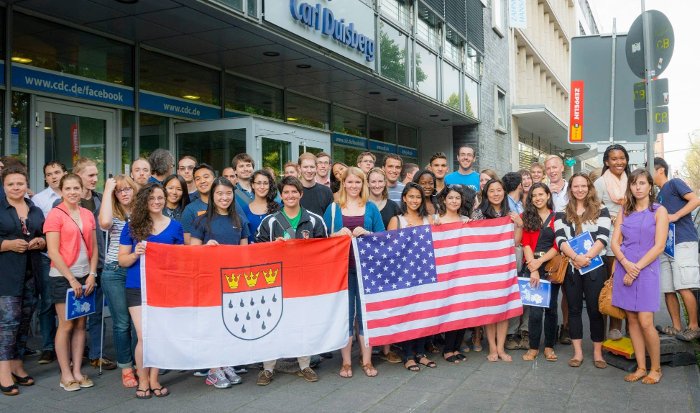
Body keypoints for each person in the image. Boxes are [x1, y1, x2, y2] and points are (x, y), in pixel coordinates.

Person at [255, 176, 328, 385]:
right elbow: (256, 251)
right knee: (272, 324)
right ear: (281, 195)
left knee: (302, 324)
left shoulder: (314, 220)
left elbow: (324, 251)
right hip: (276, 283)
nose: (290, 196)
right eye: (286, 192)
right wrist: (272, 247)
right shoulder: (269, 222)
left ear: (300, 194)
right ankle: (268, 368)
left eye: (294, 192)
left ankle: (304, 365)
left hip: (304, 284)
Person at [118, 183, 184, 399]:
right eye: (152, 198)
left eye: (160, 198)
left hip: (163, 287)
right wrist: (136, 253)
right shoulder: (132, 227)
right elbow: (122, 260)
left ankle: (154, 378)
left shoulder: (175, 227)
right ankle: (143, 379)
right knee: (144, 335)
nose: (157, 202)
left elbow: (180, 259)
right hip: (137, 287)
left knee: (159, 335)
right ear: (144, 201)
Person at [323, 167, 384, 378]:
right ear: (343, 184)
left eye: (358, 182)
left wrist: (367, 233)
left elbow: (382, 238)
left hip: (367, 270)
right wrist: (335, 235)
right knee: (346, 316)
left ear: (363, 184)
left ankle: (366, 361)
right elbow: (321, 241)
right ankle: (346, 362)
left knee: (366, 315)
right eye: (350, 182)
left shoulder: (371, 208)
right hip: (341, 271)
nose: (353, 186)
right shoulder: (333, 209)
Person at [611, 169, 668, 384]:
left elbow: (659, 245)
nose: (638, 187)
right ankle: (641, 367)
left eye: (642, 183)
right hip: (625, 268)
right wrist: (626, 264)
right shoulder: (624, 211)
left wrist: (635, 269)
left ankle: (656, 368)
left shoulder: (659, 211)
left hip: (647, 270)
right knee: (632, 320)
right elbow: (614, 243)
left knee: (645, 321)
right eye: (634, 183)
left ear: (650, 186)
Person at [190, 177, 248, 389]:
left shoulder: (240, 221)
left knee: (228, 324)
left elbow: (245, 253)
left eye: (228, 194)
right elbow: (192, 253)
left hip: (232, 282)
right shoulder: (201, 221)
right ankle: (213, 369)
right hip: (209, 282)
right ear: (212, 196)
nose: (224, 198)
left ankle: (226, 363)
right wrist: (205, 248)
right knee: (212, 325)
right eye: (219, 194)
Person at [44, 173, 99, 392]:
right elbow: (53, 251)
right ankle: (65, 374)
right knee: (66, 324)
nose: (73, 192)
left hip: (86, 275)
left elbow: (93, 247)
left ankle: (77, 370)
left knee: (81, 324)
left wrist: (93, 273)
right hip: (63, 277)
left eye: (77, 188)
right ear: (62, 190)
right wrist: (71, 279)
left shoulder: (87, 214)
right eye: (68, 189)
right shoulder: (55, 215)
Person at [554, 173, 611, 369]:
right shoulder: (561, 212)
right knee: (574, 309)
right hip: (571, 267)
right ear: (570, 189)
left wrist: (586, 258)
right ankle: (577, 353)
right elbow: (560, 240)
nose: (580, 189)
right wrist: (575, 258)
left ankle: (597, 353)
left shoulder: (601, 210)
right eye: (576, 186)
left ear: (589, 187)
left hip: (594, 266)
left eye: (583, 186)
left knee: (595, 310)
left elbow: (603, 238)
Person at [0, 167, 45, 396]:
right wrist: (6, 245)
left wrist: (40, 242)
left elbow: (45, 235)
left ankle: (17, 364)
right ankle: (4, 370)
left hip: (31, 274)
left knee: (25, 320)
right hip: (6, 275)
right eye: (11, 184)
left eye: (20, 183)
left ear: (26, 185)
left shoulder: (35, 209)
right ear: (4, 186)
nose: (16, 188)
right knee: (7, 323)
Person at [471, 179, 523, 362]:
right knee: (489, 307)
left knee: (504, 306)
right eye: (491, 191)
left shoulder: (511, 213)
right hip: (485, 268)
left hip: (505, 267)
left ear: (504, 192)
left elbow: (516, 242)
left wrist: (519, 224)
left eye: (499, 190)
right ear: (486, 194)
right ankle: (492, 348)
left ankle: (501, 348)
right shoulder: (478, 213)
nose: (495, 194)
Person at [386, 183, 437, 371]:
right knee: (408, 313)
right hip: (404, 275)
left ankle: (421, 352)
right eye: (411, 196)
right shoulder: (396, 220)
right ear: (405, 198)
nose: (415, 200)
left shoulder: (429, 219)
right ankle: (408, 354)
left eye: (418, 197)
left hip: (425, 273)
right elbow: (390, 249)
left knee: (423, 313)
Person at [73, 158, 115, 371]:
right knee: (76, 313)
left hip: (98, 262)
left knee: (97, 310)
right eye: (90, 175)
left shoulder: (100, 198)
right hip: (76, 264)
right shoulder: (66, 201)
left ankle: (96, 354)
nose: (95, 179)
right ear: (78, 175)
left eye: (96, 175)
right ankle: (75, 354)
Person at [97, 175, 139, 388]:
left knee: (136, 322)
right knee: (122, 322)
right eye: (119, 191)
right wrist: (107, 189)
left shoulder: (142, 212)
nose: (124, 193)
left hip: (136, 269)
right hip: (114, 271)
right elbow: (103, 223)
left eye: (127, 189)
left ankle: (138, 362)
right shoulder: (112, 213)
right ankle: (126, 367)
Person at [653, 157, 700, 341]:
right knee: (669, 288)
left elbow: (695, 200)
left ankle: (694, 326)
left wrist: (676, 216)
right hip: (666, 246)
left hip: (683, 240)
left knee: (683, 286)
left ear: (660, 170)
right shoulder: (657, 196)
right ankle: (676, 327)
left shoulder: (674, 183)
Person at [31, 161, 67, 365]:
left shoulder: (73, 194)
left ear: (64, 173)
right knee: (47, 302)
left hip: (72, 259)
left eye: (57, 172)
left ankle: (71, 344)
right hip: (48, 258)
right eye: (49, 174)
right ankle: (47, 346)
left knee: (71, 302)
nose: (53, 176)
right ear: (45, 177)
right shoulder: (38, 200)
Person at [434, 184, 476, 363]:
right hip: (445, 273)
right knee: (450, 310)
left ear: (462, 201)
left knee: (462, 311)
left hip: (462, 273)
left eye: (457, 198)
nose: (454, 201)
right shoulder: (436, 219)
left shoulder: (466, 219)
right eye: (450, 198)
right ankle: (447, 350)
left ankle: (457, 347)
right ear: (444, 200)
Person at [594, 144, 631, 341]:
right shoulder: (600, 183)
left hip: (631, 235)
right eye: (614, 159)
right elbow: (595, 209)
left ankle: (630, 325)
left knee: (629, 281)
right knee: (613, 281)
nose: (619, 162)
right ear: (607, 162)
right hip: (610, 237)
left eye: (622, 158)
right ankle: (613, 328)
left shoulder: (633, 181)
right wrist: (612, 218)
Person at [366, 167, 402, 364]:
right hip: (367, 262)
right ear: (368, 183)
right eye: (373, 181)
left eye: (381, 181)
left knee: (388, 304)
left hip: (388, 262)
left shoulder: (393, 206)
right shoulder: (362, 206)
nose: (377, 185)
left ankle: (387, 348)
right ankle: (368, 347)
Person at [520, 183, 560, 362]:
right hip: (532, 267)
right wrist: (533, 268)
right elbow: (525, 242)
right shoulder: (527, 217)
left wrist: (540, 262)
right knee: (535, 310)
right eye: (534, 195)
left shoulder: (557, 218)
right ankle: (534, 347)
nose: (538, 198)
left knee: (551, 309)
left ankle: (549, 346)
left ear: (548, 195)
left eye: (541, 194)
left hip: (551, 266)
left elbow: (558, 245)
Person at [181, 164, 247, 245]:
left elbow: (244, 248)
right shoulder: (192, 212)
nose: (202, 181)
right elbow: (190, 246)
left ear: (214, 179)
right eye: (198, 179)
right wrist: (206, 247)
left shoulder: (235, 210)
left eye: (206, 177)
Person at [502, 172, 526, 350]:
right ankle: (512, 332)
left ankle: (519, 331)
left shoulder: (519, 204)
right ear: (519, 185)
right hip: (514, 252)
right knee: (514, 290)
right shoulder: (508, 206)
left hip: (524, 251)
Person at [242, 170, 280, 243]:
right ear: (253, 185)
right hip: (251, 252)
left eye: (265, 183)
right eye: (258, 183)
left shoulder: (279, 208)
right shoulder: (244, 210)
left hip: (273, 252)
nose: (262, 187)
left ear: (269, 185)